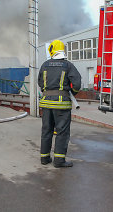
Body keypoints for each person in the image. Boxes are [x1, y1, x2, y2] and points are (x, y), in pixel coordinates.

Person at [38, 40, 81, 168]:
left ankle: (44, 158)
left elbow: (40, 83)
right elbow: (77, 84)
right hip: (62, 105)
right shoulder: (68, 66)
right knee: (62, 132)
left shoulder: (44, 65)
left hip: (46, 103)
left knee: (46, 131)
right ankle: (59, 161)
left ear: (52, 50)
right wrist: (71, 92)